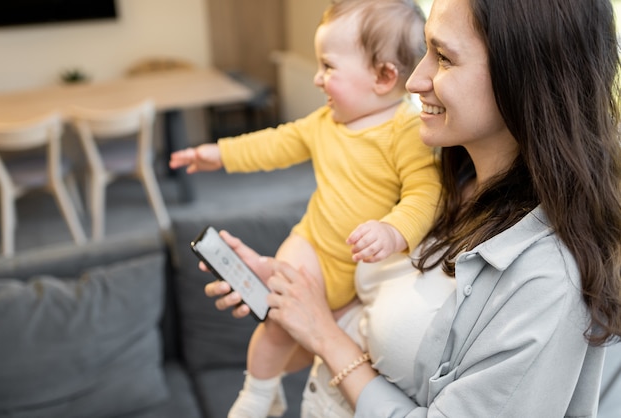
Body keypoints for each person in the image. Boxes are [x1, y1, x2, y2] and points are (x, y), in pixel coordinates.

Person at [204, 0, 621, 416]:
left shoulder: (546, 278)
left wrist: (325, 335)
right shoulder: (443, 186)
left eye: (443, 57)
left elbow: (336, 342)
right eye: (425, 51)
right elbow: (350, 335)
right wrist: (292, 293)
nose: (413, 80)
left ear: (525, 74)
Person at [170, 0, 440, 416]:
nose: (317, 78)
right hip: (311, 244)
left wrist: (393, 230)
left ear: (384, 76)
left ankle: (269, 386)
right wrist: (218, 154)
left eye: (328, 67)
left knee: (304, 337)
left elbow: (425, 194)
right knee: (278, 319)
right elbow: (272, 144)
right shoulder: (323, 123)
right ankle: (258, 394)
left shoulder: (406, 131)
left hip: (357, 273)